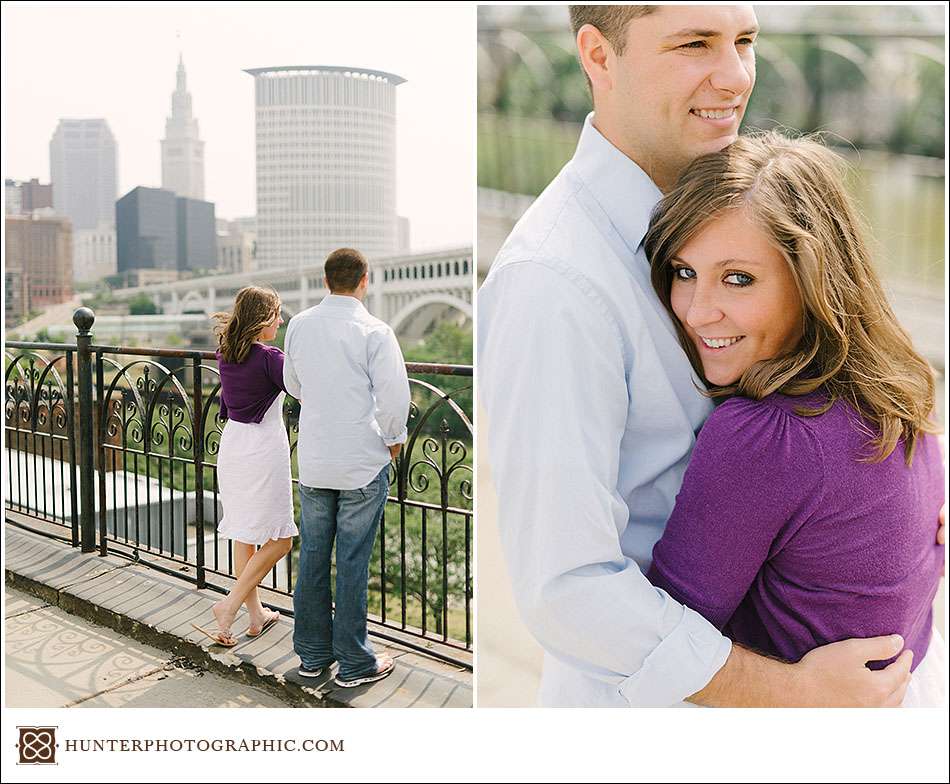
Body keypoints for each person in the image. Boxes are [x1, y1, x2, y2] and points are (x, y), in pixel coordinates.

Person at [478, 4, 941, 707]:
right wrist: (792, 693)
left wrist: (905, 496)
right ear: (599, 56)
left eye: (745, 42)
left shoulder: (736, 205)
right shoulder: (555, 282)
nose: (734, 76)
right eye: (695, 43)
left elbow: (845, 375)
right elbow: (566, 589)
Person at [643, 131, 945, 707]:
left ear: (812, 280)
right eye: (684, 272)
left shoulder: (767, 439)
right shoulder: (900, 389)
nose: (698, 311)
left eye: (739, 278)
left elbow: (668, 643)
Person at [283, 247, 411, 688]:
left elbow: (292, 384)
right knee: (352, 564)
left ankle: (312, 657)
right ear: (364, 280)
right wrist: (393, 441)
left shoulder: (298, 326)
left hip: (316, 460)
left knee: (313, 558)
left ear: (325, 281)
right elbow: (395, 398)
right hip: (360, 461)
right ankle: (355, 663)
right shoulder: (375, 331)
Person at [192, 286, 296, 646]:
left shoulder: (227, 352)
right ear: (263, 318)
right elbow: (302, 387)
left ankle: (256, 615)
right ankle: (231, 605)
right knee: (281, 540)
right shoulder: (270, 358)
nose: (281, 321)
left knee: (245, 534)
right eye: (278, 314)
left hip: (234, 445)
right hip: (263, 450)